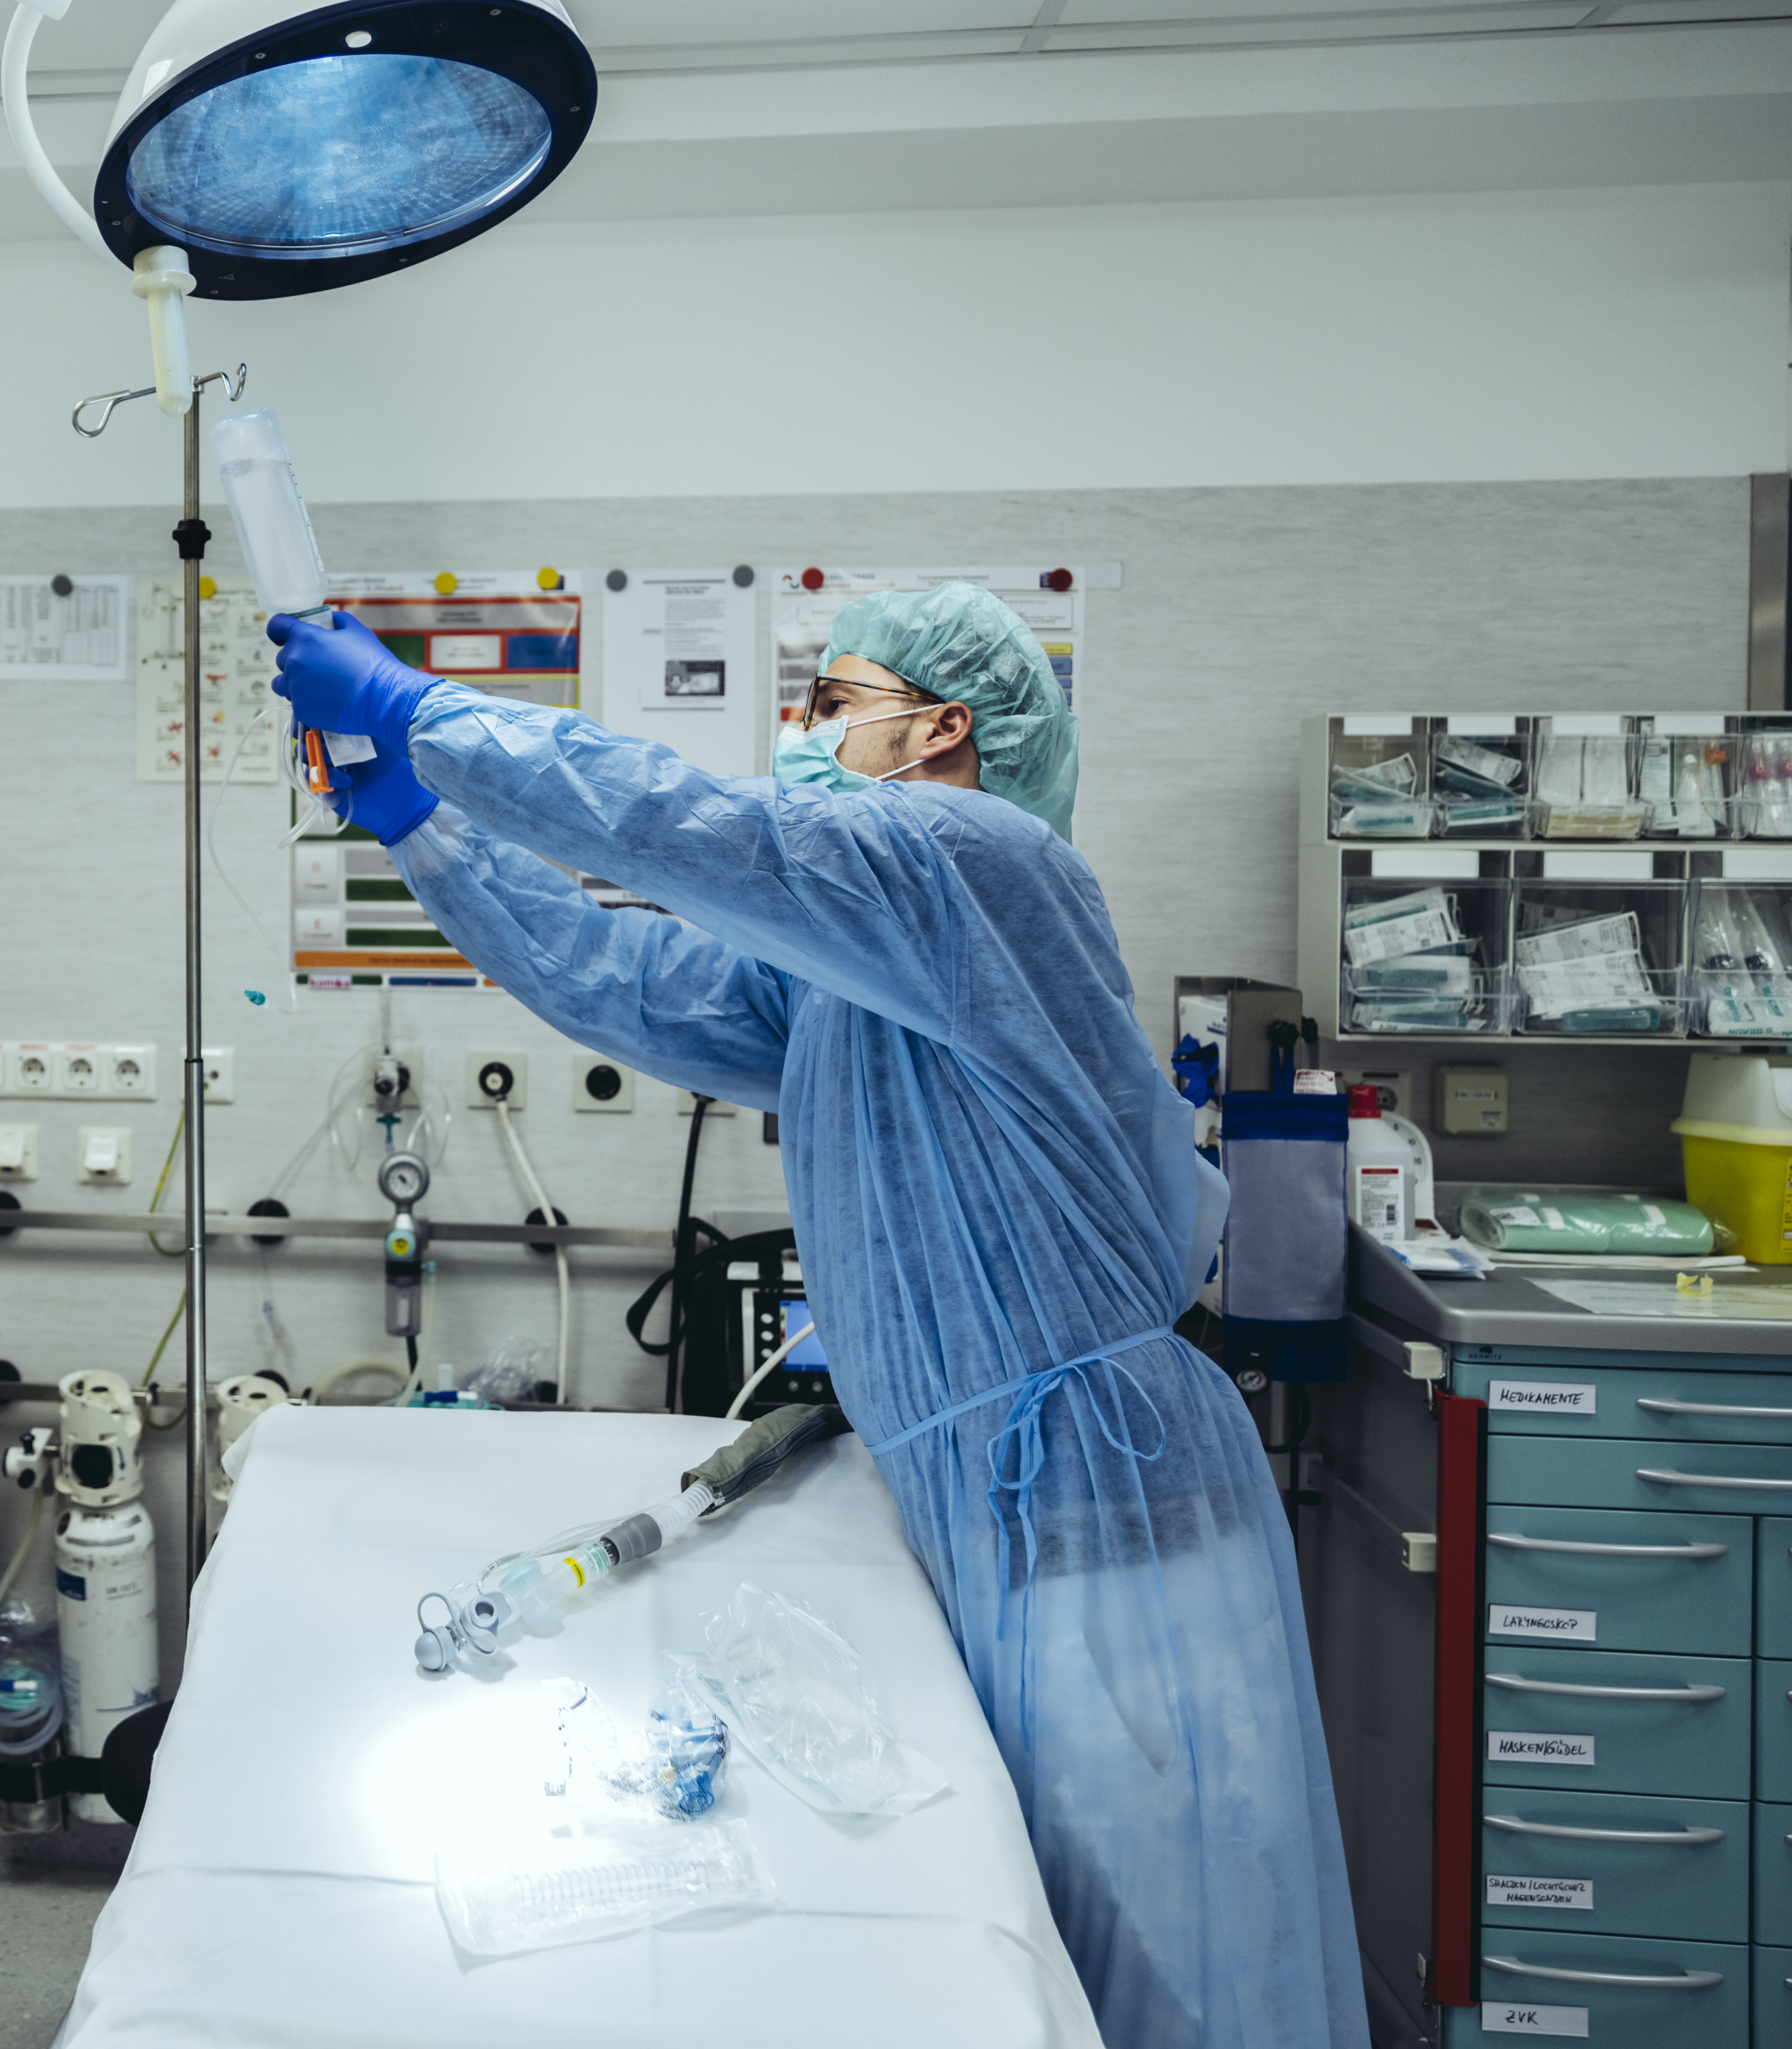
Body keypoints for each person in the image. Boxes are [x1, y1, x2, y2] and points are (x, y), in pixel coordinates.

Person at [268, 583, 1360, 2049]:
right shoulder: (866, 971)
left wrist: (421, 711)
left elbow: (695, 831)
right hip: (989, 1488)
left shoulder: (981, 861)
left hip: (1106, 1507)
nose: (800, 734)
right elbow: (628, 980)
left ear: (942, 727)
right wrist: (420, 821)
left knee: (1162, 1954)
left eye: (828, 702)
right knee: (1028, 1916)